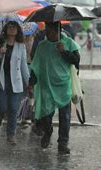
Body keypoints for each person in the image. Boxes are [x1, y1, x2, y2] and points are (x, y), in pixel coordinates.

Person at [29, 21, 80, 154]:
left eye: (51, 31)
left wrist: (63, 51)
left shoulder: (68, 43)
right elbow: (35, 65)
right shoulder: (42, 46)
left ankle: (62, 143)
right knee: (46, 114)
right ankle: (48, 131)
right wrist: (31, 82)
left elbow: (76, 60)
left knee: (65, 117)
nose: (48, 33)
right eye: (47, 30)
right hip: (46, 86)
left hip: (63, 86)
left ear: (58, 30)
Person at [0, 21, 30, 145]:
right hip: (1, 81)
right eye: (10, 27)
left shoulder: (21, 46)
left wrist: (29, 83)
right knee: (3, 107)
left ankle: (11, 135)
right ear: (6, 29)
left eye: (14, 27)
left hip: (16, 82)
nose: (12, 29)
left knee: (13, 109)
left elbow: (23, 66)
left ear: (18, 30)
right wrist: (0, 53)